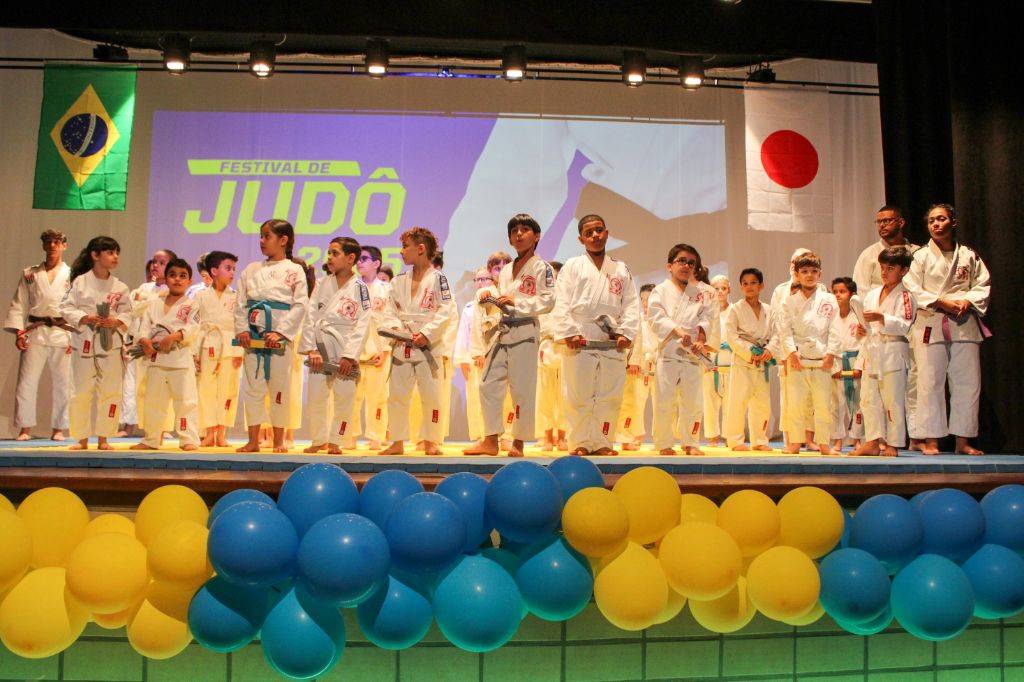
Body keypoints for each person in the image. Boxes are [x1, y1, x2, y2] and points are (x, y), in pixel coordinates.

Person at [464, 214, 556, 457]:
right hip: (503, 331)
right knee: (487, 384)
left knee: (522, 390)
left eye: (525, 229)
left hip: (525, 331)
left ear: (536, 236)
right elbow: (503, 299)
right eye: (514, 230)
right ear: (509, 238)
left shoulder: (542, 268)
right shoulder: (505, 270)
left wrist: (518, 303)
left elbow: (548, 301)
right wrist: (490, 298)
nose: (519, 234)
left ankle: (518, 443)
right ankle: (490, 439)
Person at [904, 204, 991, 456]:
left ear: (953, 222)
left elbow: (982, 283)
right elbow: (911, 287)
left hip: (964, 322)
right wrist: (941, 302)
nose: (935, 224)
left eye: (941, 219)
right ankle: (931, 440)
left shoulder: (969, 255)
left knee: (968, 382)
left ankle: (963, 442)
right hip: (932, 320)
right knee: (929, 382)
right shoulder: (920, 256)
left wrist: (968, 301)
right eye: (931, 220)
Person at [553, 215, 639, 457]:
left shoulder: (621, 269)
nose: (595, 236)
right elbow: (561, 300)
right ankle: (580, 442)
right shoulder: (572, 266)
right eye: (589, 233)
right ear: (581, 239)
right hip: (580, 335)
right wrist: (569, 331)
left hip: (612, 338)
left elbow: (631, 304)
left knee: (609, 396)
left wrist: (626, 332)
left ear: (607, 233)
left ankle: (603, 442)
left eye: (599, 230)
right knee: (578, 394)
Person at [378, 227, 456, 456]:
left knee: (432, 396)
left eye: (405, 246)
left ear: (421, 249)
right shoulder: (399, 281)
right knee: (397, 396)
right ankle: (397, 442)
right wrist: (397, 330)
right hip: (402, 344)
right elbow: (390, 310)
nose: (401, 251)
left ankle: (431, 440)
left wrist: (427, 334)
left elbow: (445, 311)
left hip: (428, 346)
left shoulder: (439, 279)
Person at [233, 219, 310, 453]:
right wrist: (242, 329)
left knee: (279, 389)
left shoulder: (295, 270)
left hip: (279, 339)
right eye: (261, 236)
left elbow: (300, 305)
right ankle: (253, 440)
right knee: (252, 388)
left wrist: (281, 332)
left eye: (267, 236)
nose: (261, 241)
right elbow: (240, 302)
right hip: (254, 335)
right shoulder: (251, 269)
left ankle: (278, 440)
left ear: (283, 240)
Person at [300, 237, 372, 454]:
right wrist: (312, 348)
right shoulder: (322, 284)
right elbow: (310, 316)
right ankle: (319, 439)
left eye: (335, 253)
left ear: (351, 258)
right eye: (329, 253)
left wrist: (350, 355)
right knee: (316, 397)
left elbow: (363, 323)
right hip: (320, 344)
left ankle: (336, 441)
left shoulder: (360, 288)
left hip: (345, 344)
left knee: (345, 398)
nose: (330, 258)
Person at [59, 236, 131, 450]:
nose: (115, 257)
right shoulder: (80, 282)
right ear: (95, 255)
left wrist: (116, 321)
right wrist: (85, 317)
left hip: (110, 344)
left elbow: (128, 313)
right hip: (85, 342)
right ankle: (81, 439)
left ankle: (104, 438)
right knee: (80, 391)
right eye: (110, 252)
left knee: (111, 392)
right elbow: (66, 307)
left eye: (117, 253)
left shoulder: (120, 287)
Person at [647, 243, 716, 456]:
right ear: (670, 265)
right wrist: (677, 331)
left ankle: (691, 442)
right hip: (669, 350)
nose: (687, 266)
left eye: (691, 263)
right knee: (665, 400)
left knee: (693, 402)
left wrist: (701, 339)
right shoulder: (660, 290)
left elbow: (707, 318)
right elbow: (655, 317)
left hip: (692, 353)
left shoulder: (702, 293)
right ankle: (664, 443)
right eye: (682, 261)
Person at [3, 229, 71, 441]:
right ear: (43, 245)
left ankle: (59, 428)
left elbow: (78, 306)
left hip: (63, 332)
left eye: (57, 242)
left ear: (64, 246)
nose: (52, 246)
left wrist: (77, 337)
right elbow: (19, 303)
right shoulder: (30, 273)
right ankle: (25, 428)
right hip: (35, 330)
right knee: (27, 381)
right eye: (48, 242)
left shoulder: (73, 274)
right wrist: (19, 332)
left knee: (64, 383)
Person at [129, 258, 201, 451]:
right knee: (153, 402)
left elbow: (193, 328)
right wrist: (144, 340)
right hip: (156, 359)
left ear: (189, 281)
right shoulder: (154, 303)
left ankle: (188, 439)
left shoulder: (192, 304)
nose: (177, 279)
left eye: (182, 276)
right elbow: (143, 327)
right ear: (166, 278)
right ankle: (151, 439)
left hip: (180, 360)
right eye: (172, 275)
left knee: (185, 402)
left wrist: (175, 336)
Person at [851, 247, 916, 457]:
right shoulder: (872, 294)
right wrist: (861, 330)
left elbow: (905, 325)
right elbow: (866, 325)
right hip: (872, 351)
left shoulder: (906, 296)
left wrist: (882, 318)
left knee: (893, 401)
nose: (884, 272)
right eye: (882, 267)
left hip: (893, 352)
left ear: (904, 271)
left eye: (890, 268)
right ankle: (872, 441)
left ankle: (893, 443)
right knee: (868, 399)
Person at [777, 251, 841, 455]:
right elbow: (784, 330)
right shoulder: (789, 301)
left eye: (814, 271)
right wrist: (791, 352)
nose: (809, 275)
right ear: (797, 274)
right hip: (798, 356)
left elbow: (835, 328)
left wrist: (831, 353)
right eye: (804, 271)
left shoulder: (829, 299)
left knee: (823, 405)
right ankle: (795, 443)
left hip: (822, 357)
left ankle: (824, 444)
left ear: (820, 274)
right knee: (795, 404)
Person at [121, 248, 177, 438]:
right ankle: (131, 426)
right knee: (134, 387)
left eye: (161, 263)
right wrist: (127, 340)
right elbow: (132, 312)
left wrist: (147, 299)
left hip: (161, 345)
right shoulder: (143, 288)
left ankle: (162, 428)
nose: (155, 266)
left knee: (161, 388)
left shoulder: (173, 291)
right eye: (154, 262)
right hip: (139, 342)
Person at [722, 268, 778, 451]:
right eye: (745, 283)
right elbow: (731, 336)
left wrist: (769, 349)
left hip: (762, 360)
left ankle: (760, 441)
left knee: (762, 404)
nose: (749, 286)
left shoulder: (769, 310)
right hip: (743, 360)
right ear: (741, 286)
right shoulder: (735, 309)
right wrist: (749, 352)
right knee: (738, 401)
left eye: (753, 282)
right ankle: (735, 441)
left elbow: (776, 334)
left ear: (761, 285)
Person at [193, 251, 242, 447]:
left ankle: (221, 433)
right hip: (207, 346)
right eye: (228, 268)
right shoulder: (200, 296)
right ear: (214, 271)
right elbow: (194, 325)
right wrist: (194, 352)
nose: (232, 273)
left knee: (228, 391)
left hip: (230, 347)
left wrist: (239, 352)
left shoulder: (237, 297)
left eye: (233, 269)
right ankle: (209, 432)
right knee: (206, 390)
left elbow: (241, 327)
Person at [350, 245, 391, 449]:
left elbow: (391, 321)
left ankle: (376, 437)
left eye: (364, 259)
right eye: (358, 259)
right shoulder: (350, 288)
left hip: (378, 351)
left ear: (376, 263)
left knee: (378, 397)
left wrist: (385, 350)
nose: (359, 262)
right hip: (353, 352)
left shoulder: (387, 290)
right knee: (351, 396)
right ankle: (349, 437)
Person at [454, 268, 495, 443]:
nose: (480, 283)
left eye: (485, 279)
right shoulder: (470, 308)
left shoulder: (499, 306)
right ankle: (479, 436)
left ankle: (502, 437)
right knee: (475, 399)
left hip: (496, 359)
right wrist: (463, 361)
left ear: (493, 281)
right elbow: (463, 335)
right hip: (475, 361)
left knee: (498, 400)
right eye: (477, 280)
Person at [829, 277, 865, 452]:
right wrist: (834, 367)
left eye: (842, 291)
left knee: (857, 403)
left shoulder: (859, 316)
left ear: (852, 294)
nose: (838, 295)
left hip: (854, 359)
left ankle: (857, 438)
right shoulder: (830, 316)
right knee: (836, 404)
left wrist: (859, 365)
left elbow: (866, 341)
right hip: (836, 360)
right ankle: (837, 439)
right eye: (835, 292)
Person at [536, 261, 568, 451]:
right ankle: (547, 436)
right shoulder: (542, 298)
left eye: (557, 276)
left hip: (565, 348)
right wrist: (553, 334)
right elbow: (541, 325)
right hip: (547, 347)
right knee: (546, 396)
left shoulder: (568, 298)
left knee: (564, 395)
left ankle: (562, 437)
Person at [853, 206, 917, 296]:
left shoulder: (917, 252)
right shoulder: (869, 254)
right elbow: (861, 288)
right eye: (878, 222)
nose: (882, 225)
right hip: (878, 303)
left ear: (901, 222)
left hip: (912, 301)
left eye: (886, 221)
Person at [702, 274, 732, 446]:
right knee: (710, 401)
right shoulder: (706, 310)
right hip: (710, 360)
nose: (720, 292)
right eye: (716, 288)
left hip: (730, 359)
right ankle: (712, 436)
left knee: (730, 401)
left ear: (729, 290)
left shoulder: (735, 310)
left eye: (723, 288)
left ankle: (729, 435)